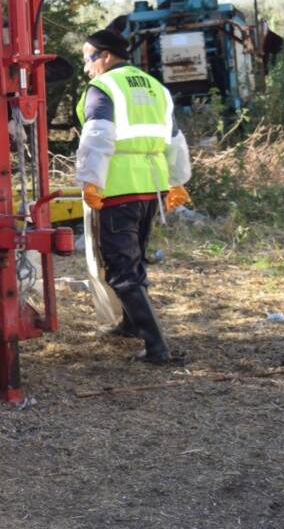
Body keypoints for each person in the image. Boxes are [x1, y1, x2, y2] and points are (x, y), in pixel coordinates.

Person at [75, 29, 191, 364]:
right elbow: (174, 137)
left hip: (117, 188)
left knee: (121, 268)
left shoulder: (104, 87)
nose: (86, 67)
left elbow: (98, 135)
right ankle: (130, 325)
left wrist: (90, 181)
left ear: (106, 56)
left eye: (88, 58)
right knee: (134, 259)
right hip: (151, 189)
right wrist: (177, 180)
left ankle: (156, 347)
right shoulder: (155, 87)